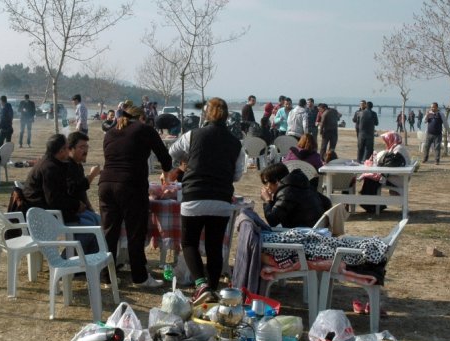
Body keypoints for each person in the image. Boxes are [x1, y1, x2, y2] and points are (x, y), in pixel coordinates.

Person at [169, 97, 245, 304]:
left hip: (194, 195)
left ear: (206, 114)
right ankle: (211, 289)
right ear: (227, 116)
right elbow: (237, 175)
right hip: (221, 198)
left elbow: (172, 152)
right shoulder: (235, 143)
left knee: (189, 242)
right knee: (214, 246)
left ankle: (201, 284)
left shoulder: (192, 135)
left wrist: (188, 160)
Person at [99, 105, 173, 287]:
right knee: (135, 232)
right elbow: (165, 156)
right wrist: (165, 173)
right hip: (130, 185)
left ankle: (107, 276)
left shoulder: (110, 133)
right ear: (141, 118)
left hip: (106, 184)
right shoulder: (144, 129)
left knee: (109, 232)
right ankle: (139, 277)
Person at [22, 132, 101, 253]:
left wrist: (78, 205)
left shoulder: (52, 164)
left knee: (94, 222)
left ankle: (88, 264)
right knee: (89, 229)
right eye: (67, 148)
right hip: (45, 216)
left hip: (48, 212)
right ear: (61, 150)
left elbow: (61, 195)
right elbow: (54, 200)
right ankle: (70, 262)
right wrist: (76, 205)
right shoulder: (50, 168)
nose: (68, 151)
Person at [259, 162, 331, 228]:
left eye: (266, 182)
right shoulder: (301, 183)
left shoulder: (286, 192)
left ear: (276, 180)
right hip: (317, 229)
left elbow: (272, 221)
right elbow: (327, 202)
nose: (266, 186)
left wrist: (267, 200)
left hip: (304, 233)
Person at [359, 131, 410, 213]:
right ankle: (372, 204)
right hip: (397, 176)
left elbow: (389, 163)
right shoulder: (397, 147)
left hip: (398, 179)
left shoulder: (398, 149)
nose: (385, 143)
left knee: (370, 179)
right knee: (371, 178)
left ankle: (370, 204)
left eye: (387, 140)